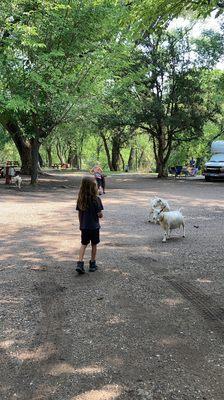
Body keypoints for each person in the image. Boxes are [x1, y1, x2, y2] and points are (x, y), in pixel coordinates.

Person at [76, 176, 104, 274]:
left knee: (83, 244)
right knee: (94, 245)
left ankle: (80, 263)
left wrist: (81, 224)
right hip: (94, 227)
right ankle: (92, 264)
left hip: (84, 226)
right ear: (93, 187)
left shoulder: (80, 199)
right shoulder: (96, 199)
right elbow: (99, 215)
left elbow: (79, 214)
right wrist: (100, 214)